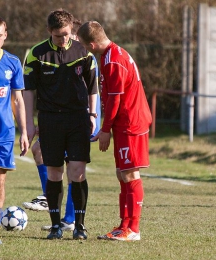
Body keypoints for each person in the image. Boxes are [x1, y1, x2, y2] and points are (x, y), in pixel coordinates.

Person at [23, 10, 98, 240]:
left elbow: (93, 86)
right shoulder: (36, 54)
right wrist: (28, 126)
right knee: (54, 173)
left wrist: (93, 115)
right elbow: (28, 93)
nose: (63, 39)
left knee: (77, 172)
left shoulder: (84, 51)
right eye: (58, 36)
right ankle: (56, 226)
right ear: (49, 32)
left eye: (66, 34)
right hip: (50, 119)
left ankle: (80, 226)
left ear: (71, 31)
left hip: (77, 118)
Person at [77, 21, 152, 241]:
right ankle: (124, 225)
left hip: (130, 123)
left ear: (91, 43)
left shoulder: (114, 61)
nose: (83, 48)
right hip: (124, 123)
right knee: (122, 174)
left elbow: (114, 99)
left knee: (130, 173)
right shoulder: (110, 55)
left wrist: (105, 130)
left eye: (83, 44)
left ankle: (134, 229)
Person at [0, 16, 29, 244]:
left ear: (5, 35)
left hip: (3, 133)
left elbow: (18, 100)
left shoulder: (12, 63)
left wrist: (23, 131)